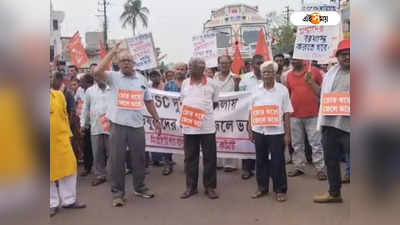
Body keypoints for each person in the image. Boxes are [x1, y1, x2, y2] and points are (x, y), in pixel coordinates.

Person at [94, 42, 161, 207]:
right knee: (117, 160)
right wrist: (113, 52)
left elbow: (148, 101)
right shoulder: (113, 77)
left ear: (134, 64)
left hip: (137, 125)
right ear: (118, 63)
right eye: (122, 60)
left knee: (139, 158)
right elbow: (97, 71)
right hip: (117, 125)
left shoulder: (142, 79)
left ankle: (140, 187)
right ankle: (118, 193)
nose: (125, 63)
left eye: (128, 60)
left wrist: (156, 118)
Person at [248, 61, 293, 202]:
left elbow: (286, 113)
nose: (267, 74)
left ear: (275, 73)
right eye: (264, 72)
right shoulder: (255, 90)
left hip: (277, 132)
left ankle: (280, 190)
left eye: (270, 72)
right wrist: (250, 127)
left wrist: (287, 134)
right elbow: (251, 110)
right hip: (259, 131)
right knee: (260, 160)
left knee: (278, 161)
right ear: (261, 74)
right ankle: (262, 187)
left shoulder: (282, 90)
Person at [314, 39, 350, 203]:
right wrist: (310, 83)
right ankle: (334, 193)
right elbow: (322, 95)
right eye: (343, 54)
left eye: (350, 54)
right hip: (330, 125)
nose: (347, 57)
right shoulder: (329, 74)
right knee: (331, 160)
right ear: (337, 57)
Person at [180, 57, 219, 200]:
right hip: (189, 127)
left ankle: (210, 187)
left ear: (202, 68)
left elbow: (214, 104)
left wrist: (202, 114)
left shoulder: (213, 84)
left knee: (209, 157)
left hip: (207, 127)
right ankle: (191, 187)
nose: (190, 68)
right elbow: (182, 101)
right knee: (190, 157)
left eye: (193, 66)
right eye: (189, 65)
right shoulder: (185, 83)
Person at [50, 72, 86, 217]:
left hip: (61, 139)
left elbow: (65, 116)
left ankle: (69, 200)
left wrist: (69, 135)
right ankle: (51, 203)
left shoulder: (58, 95)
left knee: (70, 168)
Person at [286, 58, 327, 180]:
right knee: (297, 144)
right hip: (294, 115)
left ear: (303, 59)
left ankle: (320, 169)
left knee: (316, 144)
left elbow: (322, 90)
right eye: (292, 59)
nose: (293, 61)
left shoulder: (314, 71)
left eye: (296, 59)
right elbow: (288, 94)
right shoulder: (288, 75)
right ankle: (299, 167)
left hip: (313, 114)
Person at [236, 54, 265, 180]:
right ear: (252, 65)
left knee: (263, 143)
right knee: (247, 141)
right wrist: (236, 84)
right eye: (257, 63)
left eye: (262, 63)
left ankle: (263, 169)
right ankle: (247, 169)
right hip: (247, 114)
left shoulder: (269, 78)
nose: (260, 65)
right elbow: (239, 96)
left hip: (264, 115)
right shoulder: (245, 79)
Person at [80, 75, 111, 186]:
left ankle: (114, 174)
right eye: (97, 77)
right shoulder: (90, 90)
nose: (99, 79)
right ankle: (100, 175)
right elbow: (85, 108)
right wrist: (83, 123)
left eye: (101, 75)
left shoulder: (112, 87)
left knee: (112, 152)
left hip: (111, 126)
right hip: (96, 126)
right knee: (97, 153)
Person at [159, 62, 188, 175]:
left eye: (182, 69)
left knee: (188, 141)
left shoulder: (190, 84)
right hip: (171, 118)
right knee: (168, 140)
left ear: (186, 71)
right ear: (174, 70)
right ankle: (167, 163)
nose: (180, 71)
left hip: (186, 116)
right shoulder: (168, 85)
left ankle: (188, 164)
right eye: (178, 69)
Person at [214, 55, 239, 172]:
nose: (224, 65)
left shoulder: (236, 78)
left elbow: (240, 96)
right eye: (222, 63)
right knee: (215, 137)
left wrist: (237, 84)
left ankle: (230, 164)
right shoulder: (212, 78)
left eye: (226, 63)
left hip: (230, 113)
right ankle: (217, 162)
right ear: (218, 64)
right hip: (215, 112)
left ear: (230, 64)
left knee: (229, 137)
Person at [77, 74, 95, 177]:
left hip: (96, 123)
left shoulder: (95, 91)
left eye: (82, 81)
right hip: (86, 124)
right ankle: (87, 168)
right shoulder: (80, 91)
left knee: (99, 148)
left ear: (87, 82)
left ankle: (101, 169)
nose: (80, 84)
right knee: (87, 146)